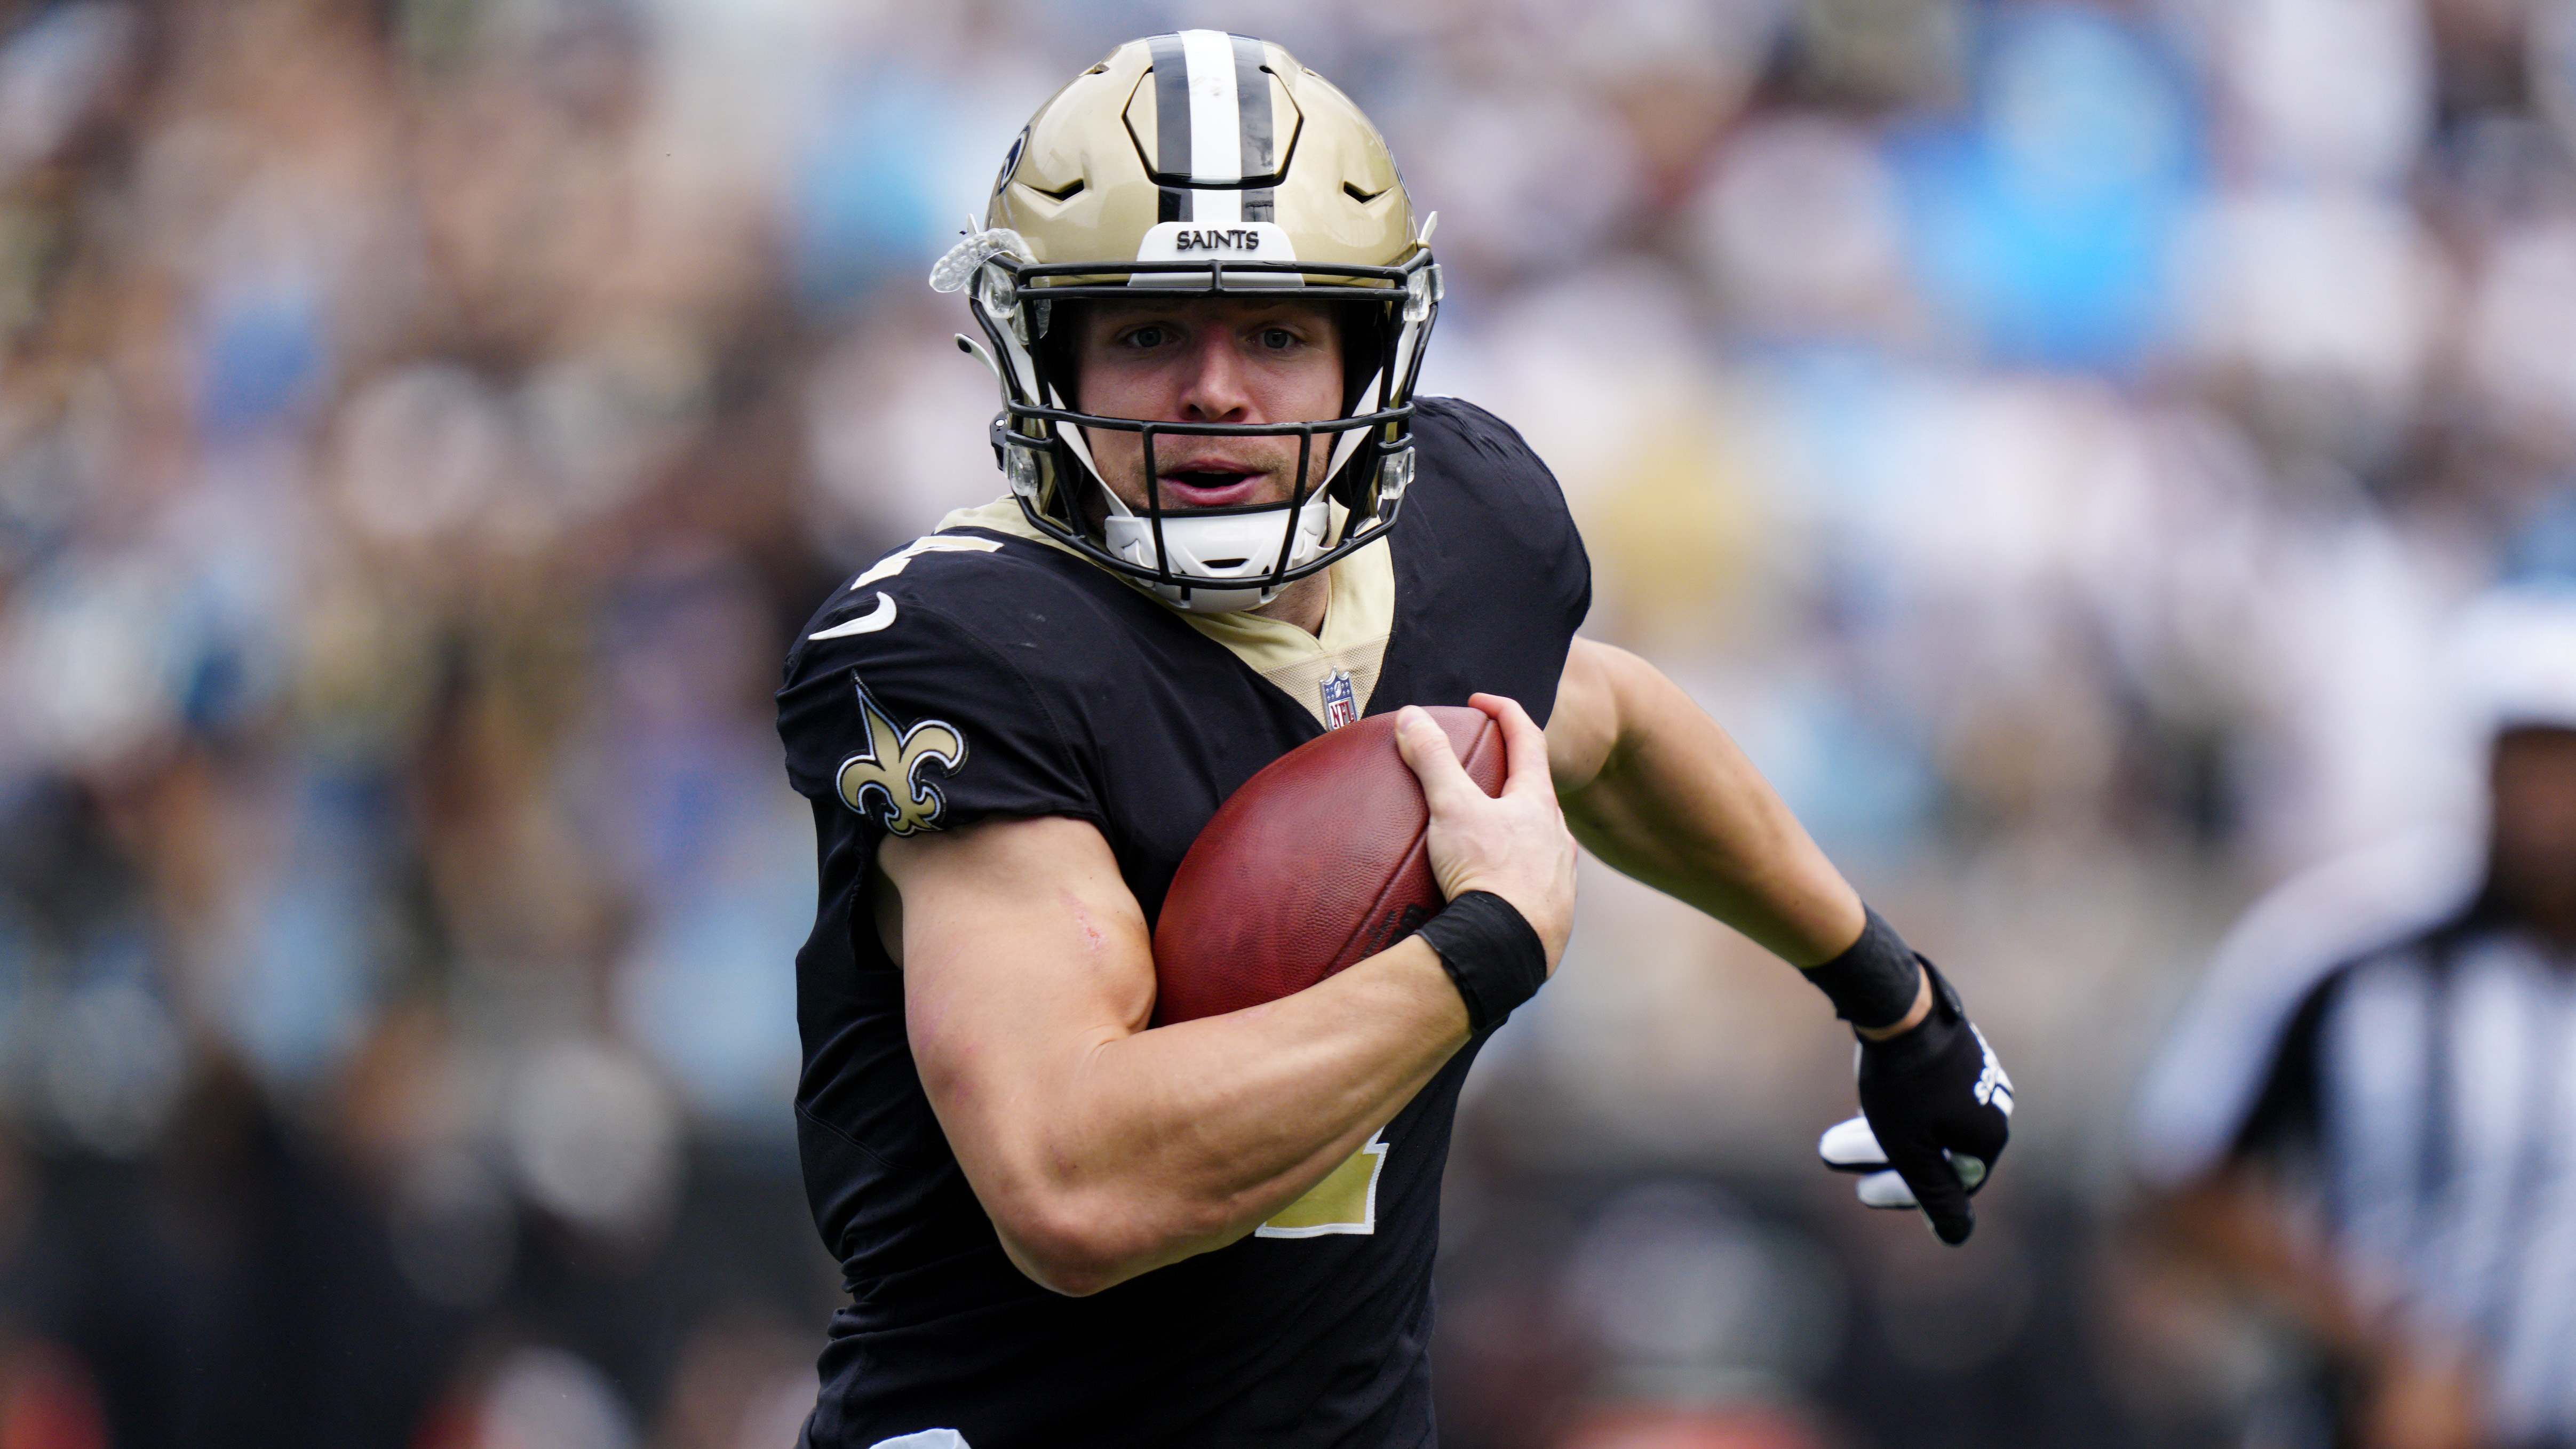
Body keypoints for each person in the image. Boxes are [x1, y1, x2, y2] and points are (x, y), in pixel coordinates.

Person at [774, 33, 2013, 1448]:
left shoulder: (1463, 539)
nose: (1217, 389)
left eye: (1281, 332)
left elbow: (1598, 718)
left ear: (1378, 350)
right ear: (1036, 348)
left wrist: (1890, 992)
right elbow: (1073, 1184)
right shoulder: (964, 647)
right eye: (1147, 331)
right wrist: (1479, 951)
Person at [2132, 584, 2576, 1449]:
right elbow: (2182, 1168)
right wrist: (2384, 1342)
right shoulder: (2350, 946)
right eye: (2528, 758)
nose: (2550, 797)